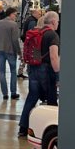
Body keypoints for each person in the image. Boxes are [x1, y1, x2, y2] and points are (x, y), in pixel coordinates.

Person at [20, 11, 60, 139]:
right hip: (46, 71)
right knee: (52, 101)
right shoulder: (52, 35)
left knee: (31, 98)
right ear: (53, 21)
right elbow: (54, 57)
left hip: (34, 69)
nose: (58, 23)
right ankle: (51, 131)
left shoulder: (38, 32)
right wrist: (58, 75)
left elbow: (36, 54)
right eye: (58, 21)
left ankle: (23, 129)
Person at [0, 9, 22, 100]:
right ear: (10, 14)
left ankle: (4, 94)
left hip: (0, 50)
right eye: (15, 15)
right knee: (13, 72)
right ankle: (13, 93)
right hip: (10, 51)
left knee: (2, 72)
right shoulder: (14, 25)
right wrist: (19, 52)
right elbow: (15, 40)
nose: (16, 17)